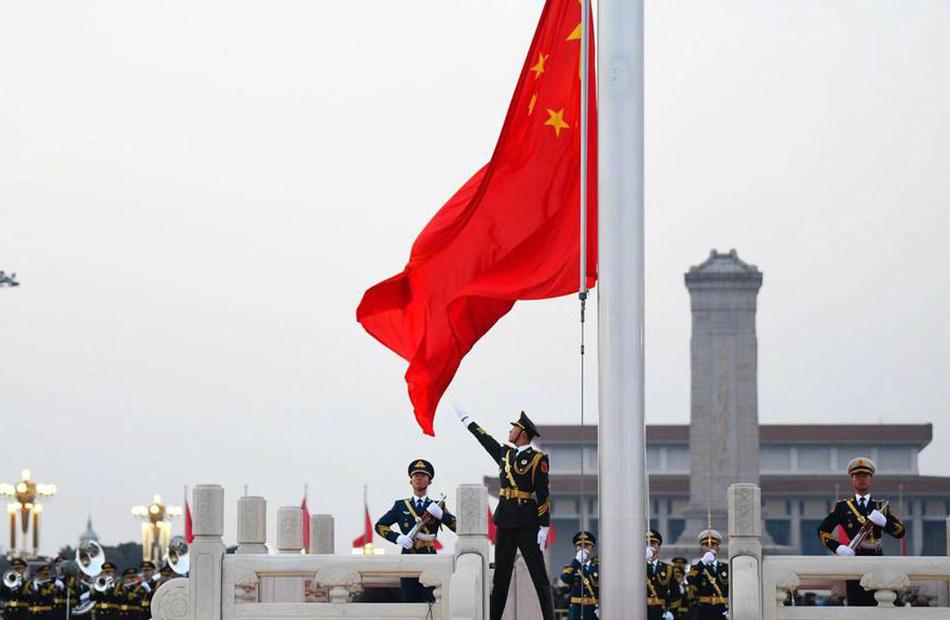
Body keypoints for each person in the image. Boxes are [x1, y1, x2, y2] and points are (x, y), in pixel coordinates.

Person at [456, 406, 555, 620]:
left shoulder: (538, 460)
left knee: (539, 576)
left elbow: (543, 493)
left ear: (523, 434)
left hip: (527, 522)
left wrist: (544, 525)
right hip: (506, 521)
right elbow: (485, 440)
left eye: (514, 429)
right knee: (501, 577)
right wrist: (467, 420)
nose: (510, 432)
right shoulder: (505, 454)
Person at [817, 456, 905, 606]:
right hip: (854, 561)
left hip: (877, 561)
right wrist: (838, 548)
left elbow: (900, 532)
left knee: (881, 605)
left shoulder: (880, 506)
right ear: (852, 479)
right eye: (858, 476)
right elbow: (822, 531)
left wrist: (885, 522)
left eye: (865, 476)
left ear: (870, 479)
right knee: (857, 605)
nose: (861, 479)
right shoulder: (843, 507)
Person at [375, 459, 457, 602]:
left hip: (430, 556)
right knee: (409, 599)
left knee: (430, 601)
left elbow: (458, 527)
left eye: (423, 476)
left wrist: (441, 515)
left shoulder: (437, 505)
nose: (419, 478)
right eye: (416, 476)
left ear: (429, 481)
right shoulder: (401, 506)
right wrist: (397, 538)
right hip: (408, 556)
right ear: (410, 481)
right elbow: (380, 526)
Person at [686, 529, 728, 620]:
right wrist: (703, 562)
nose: (710, 548)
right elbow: (690, 579)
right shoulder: (696, 568)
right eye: (706, 545)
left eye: (713, 545)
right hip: (704, 610)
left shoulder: (726, 568)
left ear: (718, 548)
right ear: (701, 549)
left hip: (722, 609)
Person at [560, 531, 599, 620]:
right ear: (576, 549)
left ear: (592, 548)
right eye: (580, 546)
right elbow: (565, 578)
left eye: (586, 546)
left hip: (593, 610)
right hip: (576, 611)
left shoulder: (599, 566)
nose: (583, 549)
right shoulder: (573, 566)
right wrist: (577, 561)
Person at [645, 529, 679, 620]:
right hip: (640, 611)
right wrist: (643, 562)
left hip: (660, 612)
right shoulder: (635, 568)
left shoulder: (667, 569)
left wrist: (671, 611)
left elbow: (675, 594)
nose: (649, 547)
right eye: (646, 544)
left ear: (658, 547)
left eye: (653, 543)